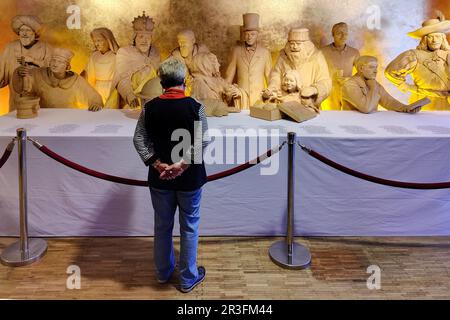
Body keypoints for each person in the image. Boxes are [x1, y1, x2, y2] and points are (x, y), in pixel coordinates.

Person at [133, 58, 210, 293]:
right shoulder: (196, 107)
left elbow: (139, 139)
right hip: (189, 179)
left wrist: (157, 164)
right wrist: (182, 165)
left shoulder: (150, 107)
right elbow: (203, 140)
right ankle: (188, 277)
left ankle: (162, 272)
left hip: (160, 179)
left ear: (161, 81)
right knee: (189, 226)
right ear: (184, 80)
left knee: (162, 226)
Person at [385, 11, 450, 110]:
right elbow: (390, 72)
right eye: (430, 37)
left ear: (442, 38)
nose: (434, 40)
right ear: (424, 39)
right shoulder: (414, 55)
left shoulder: (448, 55)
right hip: (423, 101)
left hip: (447, 103)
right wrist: (405, 86)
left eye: (437, 36)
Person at [12, 47, 103, 111]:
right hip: (44, 117)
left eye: (60, 62)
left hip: (68, 118)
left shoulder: (75, 80)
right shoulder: (39, 73)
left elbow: (93, 96)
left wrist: (96, 104)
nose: (55, 64)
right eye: (54, 60)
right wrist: (20, 73)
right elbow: (23, 88)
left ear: (67, 67)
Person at [266, 28, 331, 109]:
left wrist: (314, 89)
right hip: (285, 104)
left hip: (307, 106)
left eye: (298, 43)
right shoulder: (283, 56)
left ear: (306, 44)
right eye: (292, 43)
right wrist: (273, 87)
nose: (294, 47)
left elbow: (325, 81)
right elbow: (275, 74)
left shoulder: (317, 57)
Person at [107, 11, 161, 109]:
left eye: (148, 37)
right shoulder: (124, 53)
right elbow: (121, 80)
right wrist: (130, 96)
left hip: (152, 101)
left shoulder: (155, 53)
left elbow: (159, 78)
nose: (145, 40)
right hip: (131, 102)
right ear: (134, 38)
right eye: (141, 37)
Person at [0, 15, 52, 112]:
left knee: (41, 123)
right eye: (22, 30)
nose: (24, 34)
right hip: (17, 102)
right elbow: (1, 72)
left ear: (34, 33)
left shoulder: (45, 48)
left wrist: (33, 61)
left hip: (41, 102)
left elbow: (53, 73)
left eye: (28, 30)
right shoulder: (10, 48)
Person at [342, 56, 427, 113]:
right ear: (361, 68)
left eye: (376, 67)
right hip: (354, 125)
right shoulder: (349, 85)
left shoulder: (372, 83)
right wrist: (373, 88)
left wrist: (406, 108)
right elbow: (366, 108)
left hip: (369, 123)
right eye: (371, 67)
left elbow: (388, 102)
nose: (375, 71)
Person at [224, 13, 272, 109]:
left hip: (259, 100)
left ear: (258, 35)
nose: (249, 37)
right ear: (243, 34)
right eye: (247, 34)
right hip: (241, 99)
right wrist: (226, 92)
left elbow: (269, 77)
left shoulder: (265, 53)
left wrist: (270, 91)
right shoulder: (236, 51)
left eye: (253, 34)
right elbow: (229, 76)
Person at [321, 22, 360, 110]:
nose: (343, 36)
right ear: (333, 34)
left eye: (345, 33)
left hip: (349, 90)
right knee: (331, 117)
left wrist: (350, 79)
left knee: (349, 116)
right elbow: (317, 72)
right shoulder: (323, 52)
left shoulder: (354, 53)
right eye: (339, 33)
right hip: (330, 91)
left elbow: (361, 73)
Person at [82, 27, 120, 104]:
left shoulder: (117, 56)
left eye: (99, 40)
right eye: (94, 41)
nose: (96, 44)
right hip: (97, 89)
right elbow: (89, 74)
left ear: (107, 40)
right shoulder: (94, 56)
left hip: (112, 90)